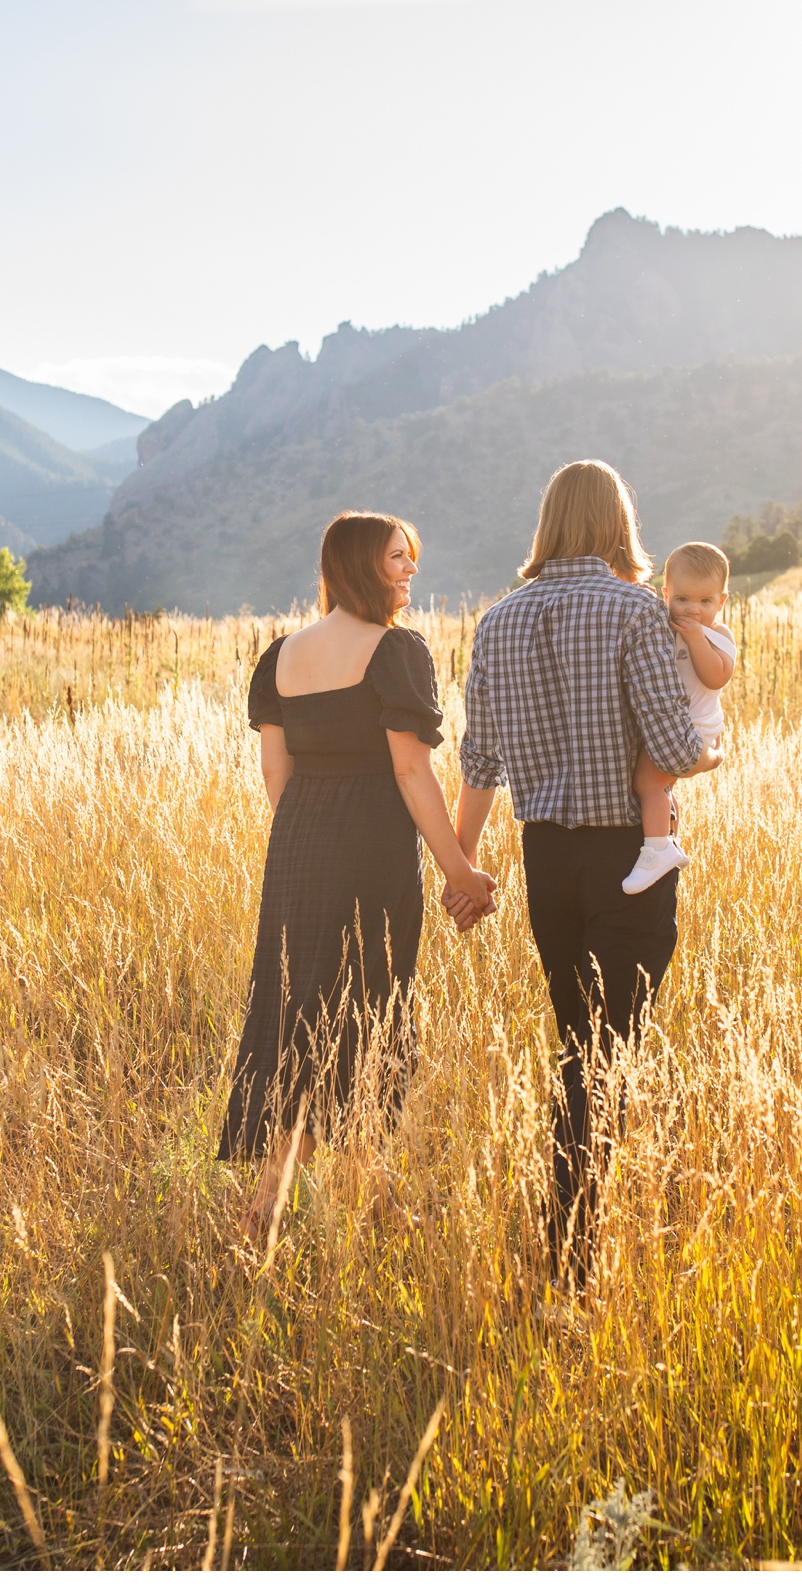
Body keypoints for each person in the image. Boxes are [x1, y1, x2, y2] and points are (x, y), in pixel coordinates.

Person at [448, 461, 716, 1288]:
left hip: (546, 859)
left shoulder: (497, 622)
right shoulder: (639, 610)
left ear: (549, 524)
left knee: (578, 1043)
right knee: (607, 1055)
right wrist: (715, 750)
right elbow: (673, 750)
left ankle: (570, 1233)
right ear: (618, 525)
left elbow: (481, 761)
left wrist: (463, 866)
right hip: (627, 860)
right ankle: (570, 1250)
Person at [222, 511, 498, 1241]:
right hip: (373, 849)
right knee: (368, 1015)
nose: (409, 571)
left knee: (295, 1010)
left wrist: (313, 833)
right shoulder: (396, 651)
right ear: (356, 566)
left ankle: (271, 1201)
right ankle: (352, 1204)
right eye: (394, 560)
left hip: (298, 850)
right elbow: (411, 770)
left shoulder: (279, 655)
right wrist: (460, 871)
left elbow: (274, 773)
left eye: (411, 557)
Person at [623, 541, 736, 895]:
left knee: (648, 781)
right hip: (672, 724)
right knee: (661, 782)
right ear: (666, 594)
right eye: (683, 599)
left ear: (721, 602)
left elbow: (716, 677)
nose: (693, 610)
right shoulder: (663, 627)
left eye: (705, 602)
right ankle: (668, 837)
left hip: (695, 729)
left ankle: (657, 851)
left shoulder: (718, 635)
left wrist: (696, 639)